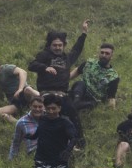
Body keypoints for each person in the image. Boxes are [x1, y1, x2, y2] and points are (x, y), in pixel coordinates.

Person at [29, 19, 89, 147]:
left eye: (60, 45)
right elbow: (32, 65)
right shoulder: (44, 55)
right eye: (55, 45)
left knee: (73, 114)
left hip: (63, 95)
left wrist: (84, 33)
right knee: (48, 117)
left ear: (63, 45)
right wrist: (45, 67)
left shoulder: (67, 58)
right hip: (47, 93)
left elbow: (77, 49)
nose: (57, 48)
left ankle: (80, 144)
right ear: (50, 45)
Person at [26, 94, 77, 168]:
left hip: (59, 164)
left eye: (53, 108)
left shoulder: (65, 122)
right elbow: (39, 131)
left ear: (59, 108)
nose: (50, 111)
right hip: (41, 161)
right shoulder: (43, 119)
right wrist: (32, 136)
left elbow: (74, 138)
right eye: (48, 108)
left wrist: (68, 151)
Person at [0, 53, 40, 124]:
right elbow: (1, 90)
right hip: (16, 102)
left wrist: (20, 89)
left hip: (25, 94)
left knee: (28, 89)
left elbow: (23, 72)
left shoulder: (7, 68)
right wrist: (1, 100)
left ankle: (46, 98)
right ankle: (22, 124)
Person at [70, 43, 120, 111]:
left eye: (107, 53)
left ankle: (74, 106)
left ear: (112, 56)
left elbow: (111, 97)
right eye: (102, 52)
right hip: (80, 92)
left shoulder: (113, 76)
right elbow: (76, 72)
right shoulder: (89, 63)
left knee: (92, 104)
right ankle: (76, 103)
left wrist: (112, 111)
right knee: (80, 84)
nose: (104, 55)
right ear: (99, 53)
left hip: (93, 99)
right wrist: (61, 81)